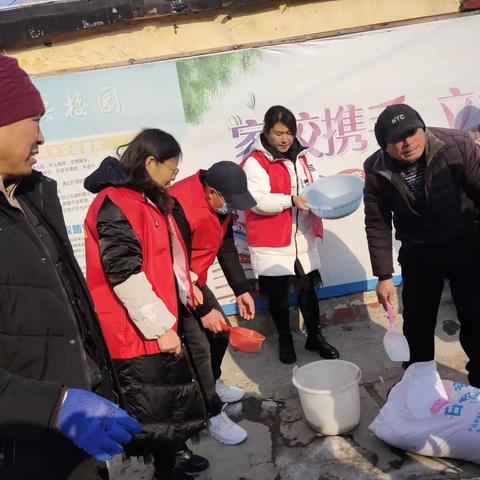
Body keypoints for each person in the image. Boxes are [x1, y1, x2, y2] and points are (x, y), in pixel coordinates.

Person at [0, 55, 141, 480]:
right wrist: (54, 406)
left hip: (71, 431)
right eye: (34, 119)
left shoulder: (30, 198)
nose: (42, 136)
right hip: (21, 445)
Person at [83, 129, 210, 479]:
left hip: (156, 317)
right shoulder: (115, 204)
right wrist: (160, 328)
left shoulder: (145, 198)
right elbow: (124, 275)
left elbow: (160, 258)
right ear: (150, 161)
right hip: (135, 330)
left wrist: (186, 287)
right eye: (172, 167)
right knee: (155, 412)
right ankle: (166, 470)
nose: (174, 174)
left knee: (168, 404)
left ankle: (173, 459)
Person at [364, 103, 480, 387]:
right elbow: (377, 223)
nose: (408, 142)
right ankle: (419, 380)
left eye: (412, 132)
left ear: (423, 128)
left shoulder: (458, 145)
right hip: (418, 251)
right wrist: (384, 276)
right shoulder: (376, 170)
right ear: (384, 146)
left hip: (465, 243)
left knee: (476, 316)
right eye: (397, 139)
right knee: (416, 321)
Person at [242, 105, 339, 364]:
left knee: (308, 289)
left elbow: (315, 184)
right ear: (266, 132)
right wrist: (291, 200)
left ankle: (314, 337)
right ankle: (285, 338)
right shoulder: (256, 161)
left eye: (289, 133)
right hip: (272, 242)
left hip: (301, 237)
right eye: (278, 133)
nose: (284, 139)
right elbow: (257, 201)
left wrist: (326, 196)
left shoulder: (304, 157)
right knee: (278, 296)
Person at [169, 161, 256, 445]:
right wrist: (203, 309)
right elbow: (174, 264)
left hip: (196, 281)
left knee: (220, 334)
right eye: (229, 202)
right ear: (211, 192)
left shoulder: (222, 207)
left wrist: (241, 289)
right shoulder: (178, 205)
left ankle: (214, 384)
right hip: (175, 284)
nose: (233, 209)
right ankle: (210, 413)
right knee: (199, 349)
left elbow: (227, 246)